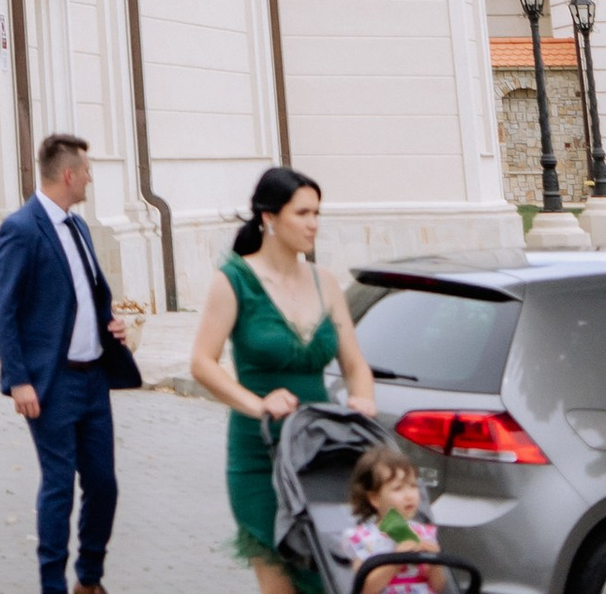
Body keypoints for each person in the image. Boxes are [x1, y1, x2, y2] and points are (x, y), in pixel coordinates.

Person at [188, 165, 377, 592]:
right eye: (302, 213)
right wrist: (259, 405)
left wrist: (362, 399)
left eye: (317, 213)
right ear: (269, 217)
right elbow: (202, 363)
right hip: (261, 453)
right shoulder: (234, 280)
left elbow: (355, 365)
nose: (313, 224)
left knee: (327, 577)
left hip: (319, 451)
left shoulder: (326, 282)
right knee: (280, 580)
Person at [0, 131, 140, 594]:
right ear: (70, 175)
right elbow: (3, 310)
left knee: (103, 484)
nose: (91, 180)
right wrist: (19, 379)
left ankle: (89, 579)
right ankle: (52, 585)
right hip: (51, 383)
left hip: (94, 379)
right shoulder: (22, 228)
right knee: (58, 486)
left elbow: (86, 297)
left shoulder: (79, 228)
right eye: (88, 172)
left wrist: (112, 326)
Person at [347, 442, 447, 594]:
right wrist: (396, 561)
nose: (409, 495)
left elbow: (438, 587)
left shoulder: (423, 533)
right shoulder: (364, 538)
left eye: (413, 486)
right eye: (398, 488)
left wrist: (434, 563)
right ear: (375, 499)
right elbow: (365, 589)